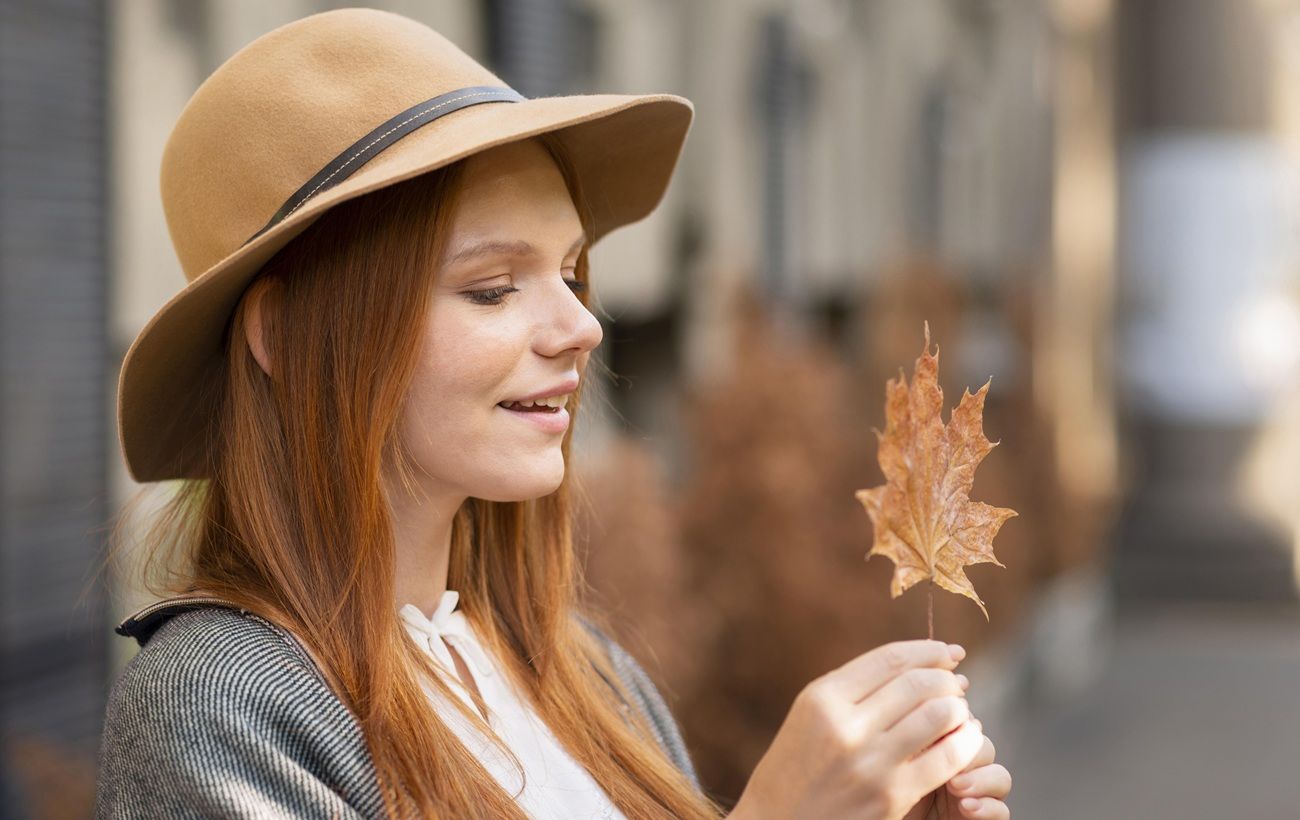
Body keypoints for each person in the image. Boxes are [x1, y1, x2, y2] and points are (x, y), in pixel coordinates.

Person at [95, 8, 1011, 820]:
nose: (580, 326)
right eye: (492, 289)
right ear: (286, 336)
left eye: (571, 273)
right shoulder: (220, 709)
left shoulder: (588, 677)